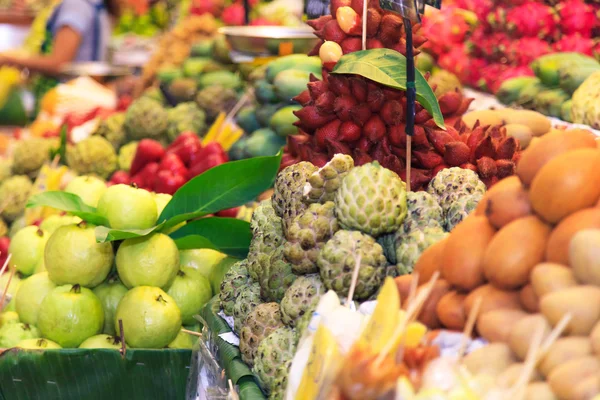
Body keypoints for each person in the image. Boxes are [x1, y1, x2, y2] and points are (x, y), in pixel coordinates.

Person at [0, 0, 119, 75]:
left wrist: (9, 59)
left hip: (71, 95)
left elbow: (59, 63)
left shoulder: (76, 5)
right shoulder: (91, 4)